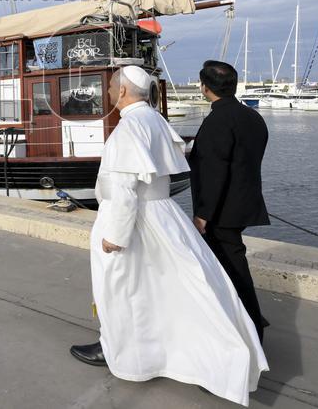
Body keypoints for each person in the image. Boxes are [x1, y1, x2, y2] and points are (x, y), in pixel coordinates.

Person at [69, 65, 267, 406]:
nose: (108, 94)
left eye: (110, 88)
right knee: (172, 291)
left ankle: (118, 350)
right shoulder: (157, 121)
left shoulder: (128, 128)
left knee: (122, 288)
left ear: (120, 92)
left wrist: (114, 234)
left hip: (136, 220)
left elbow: (124, 188)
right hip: (164, 216)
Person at [191, 60, 271, 341]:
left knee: (233, 271)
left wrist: (203, 214)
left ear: (205, 87)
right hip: (243, 204)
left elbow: (216, 172)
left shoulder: (217, 121)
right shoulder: (252, 117)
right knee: (232, 267)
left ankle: (251, 328)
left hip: (222, 211)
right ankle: (248, 321)